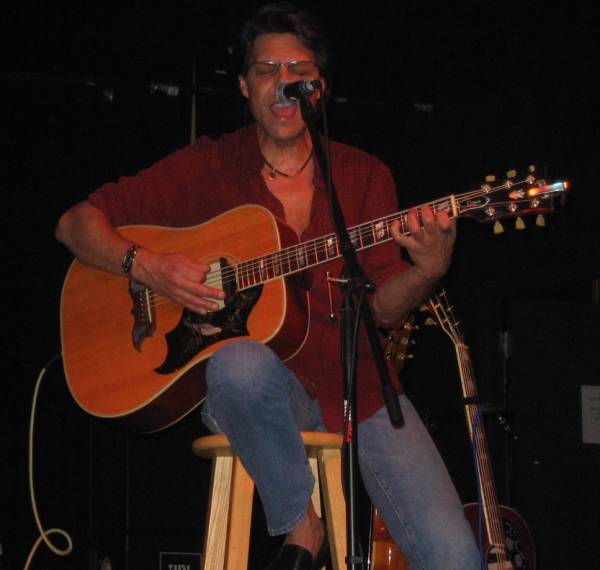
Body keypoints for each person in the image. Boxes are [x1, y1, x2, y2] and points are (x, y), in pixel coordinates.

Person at [56, 2, 481, 569]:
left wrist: (427, 271)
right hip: (259, 393)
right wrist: (147, 266)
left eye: (298, 72)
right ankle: (301, 526)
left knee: (456, 558)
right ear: (244, 86)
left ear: (319, 88)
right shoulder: (206, 166)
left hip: (365, 389)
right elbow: (74, 224)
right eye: (266, 71)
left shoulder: (364, 176)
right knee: (236, 363)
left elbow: (381, 307)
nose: (284, 84)